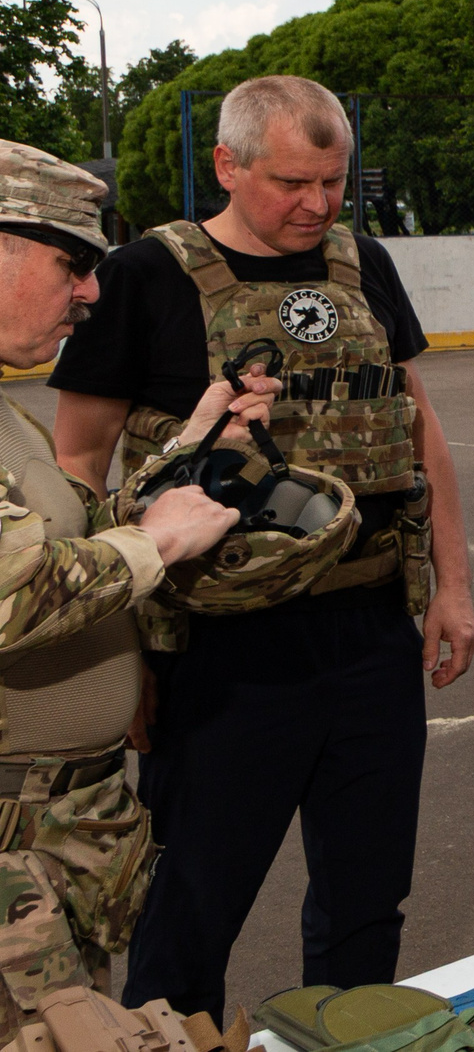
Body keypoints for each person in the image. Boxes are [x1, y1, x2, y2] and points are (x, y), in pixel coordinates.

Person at [47, 75, 474, 1017]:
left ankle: (356, 1036)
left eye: (333, 181)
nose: (318, 205)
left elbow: (421, 430)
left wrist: (454, 588)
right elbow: (77, 464)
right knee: (189, 908)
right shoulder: (145, 276)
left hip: (368, 634)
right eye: (293, 182)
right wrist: (115, 654)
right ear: (227, 166)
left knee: (368, 902)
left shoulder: (361, 261)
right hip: (218, 652)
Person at [0, 143, 249, 1027]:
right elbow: (11, 595)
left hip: (55, 831)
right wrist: (156, 543)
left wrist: (191, 446)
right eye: (72, 262)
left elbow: (65, 530)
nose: (92, 291)